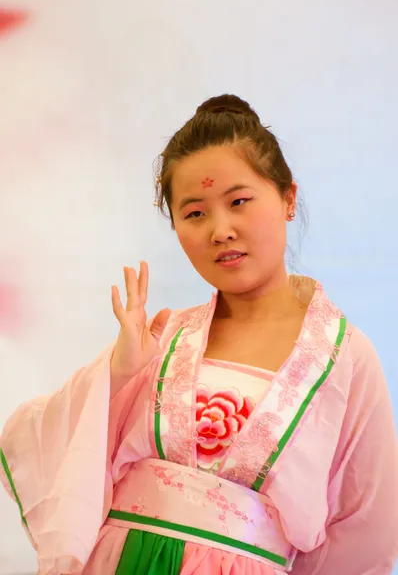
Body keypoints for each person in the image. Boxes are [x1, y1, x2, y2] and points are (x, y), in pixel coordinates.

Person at [1, 94, 397, 575]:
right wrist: (120, 373)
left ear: (288, 198)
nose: (220, 230)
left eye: (239, 202)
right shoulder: (162, 339)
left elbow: (363, 530)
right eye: (194, 214)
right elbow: (53, 451)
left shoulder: (345, 358)